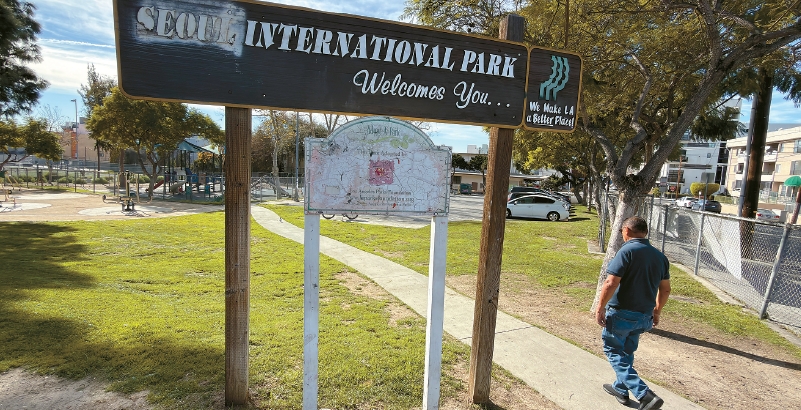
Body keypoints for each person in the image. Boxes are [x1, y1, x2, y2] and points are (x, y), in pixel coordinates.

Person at [595, 216, 671, 410]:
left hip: (621, 313)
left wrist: (600, 307)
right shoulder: (660, 257)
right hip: (643, 316)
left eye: (621, 231)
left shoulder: (626, 251)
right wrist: (657, 311)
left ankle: (644, 394)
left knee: (612, 350)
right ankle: (620, 389)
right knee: (627, 352)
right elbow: (665, 289)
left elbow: (611, 282)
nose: (622, 234)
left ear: (627, 230)